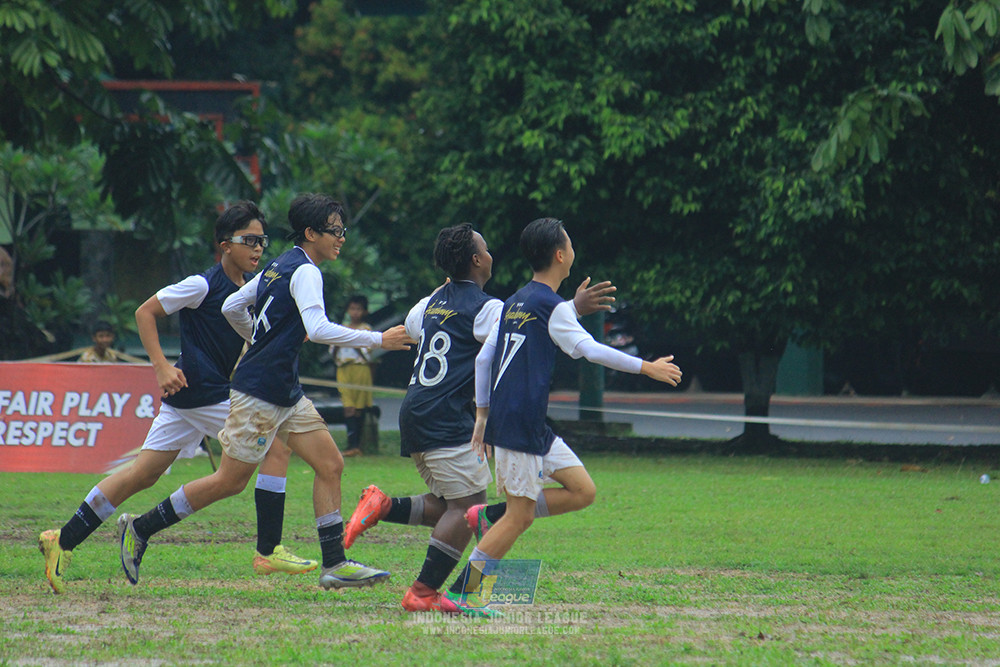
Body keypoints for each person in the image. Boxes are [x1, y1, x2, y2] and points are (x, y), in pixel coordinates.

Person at [115, 193, 414, 590]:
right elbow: (319, 329)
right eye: (336, 231)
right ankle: (141, 527)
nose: (341, 238)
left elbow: (233, 306)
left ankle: (334, 563)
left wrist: (259, 340)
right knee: (229, 481)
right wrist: (379, 339)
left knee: (331, 465)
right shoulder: (306, 272)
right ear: (311, 233)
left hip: (284, 391)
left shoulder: (278, 265)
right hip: (259, 393)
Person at [38, 201, 317, 594]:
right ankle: (269, 550)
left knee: (142, 474)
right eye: (249, 241)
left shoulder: (249, 292)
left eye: (262, 241)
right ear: (225, 245)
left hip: (189, 398)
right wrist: (160, 367)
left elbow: (258, 336)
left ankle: (62, 539)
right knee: (276, 449)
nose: (258, 249)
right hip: (204, 392)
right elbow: (145, 312)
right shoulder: (202, 284)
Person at [341, 222, 616, 616]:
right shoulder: (488, 309)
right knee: (468, 510)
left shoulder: (427, 304)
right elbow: (525, 331)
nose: (491, 255)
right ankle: (424, 591)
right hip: (447, 417)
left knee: (457, 504)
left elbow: (422, 332)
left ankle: (383, 506)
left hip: (415, 410)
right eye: (485, 250)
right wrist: (574, 308)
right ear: (476, 260)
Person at [446, 217, 682, 609]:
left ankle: (491, 516)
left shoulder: (517, 299)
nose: (573, 249)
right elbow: (590, 349)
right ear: (560, 255)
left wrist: (484, 415)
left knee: (582, 491)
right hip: (519, 423)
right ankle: (464, 595)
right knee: (520, 518)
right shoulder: (549, 306)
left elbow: (485, 358)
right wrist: (647, 367)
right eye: (569, 243)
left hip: (525, 422)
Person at [330, 295, 374, 456]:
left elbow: (366, 351)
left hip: (360, 369)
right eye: (352, 309)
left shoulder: (366, 329)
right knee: (348, 406)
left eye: (358, 309)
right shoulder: (341, 327)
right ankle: (351, 445)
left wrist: (350, 338)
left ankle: (357, 445)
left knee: (359, 408)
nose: (355, 312)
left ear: (364, 311)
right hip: (344, 369)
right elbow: (333, 351)